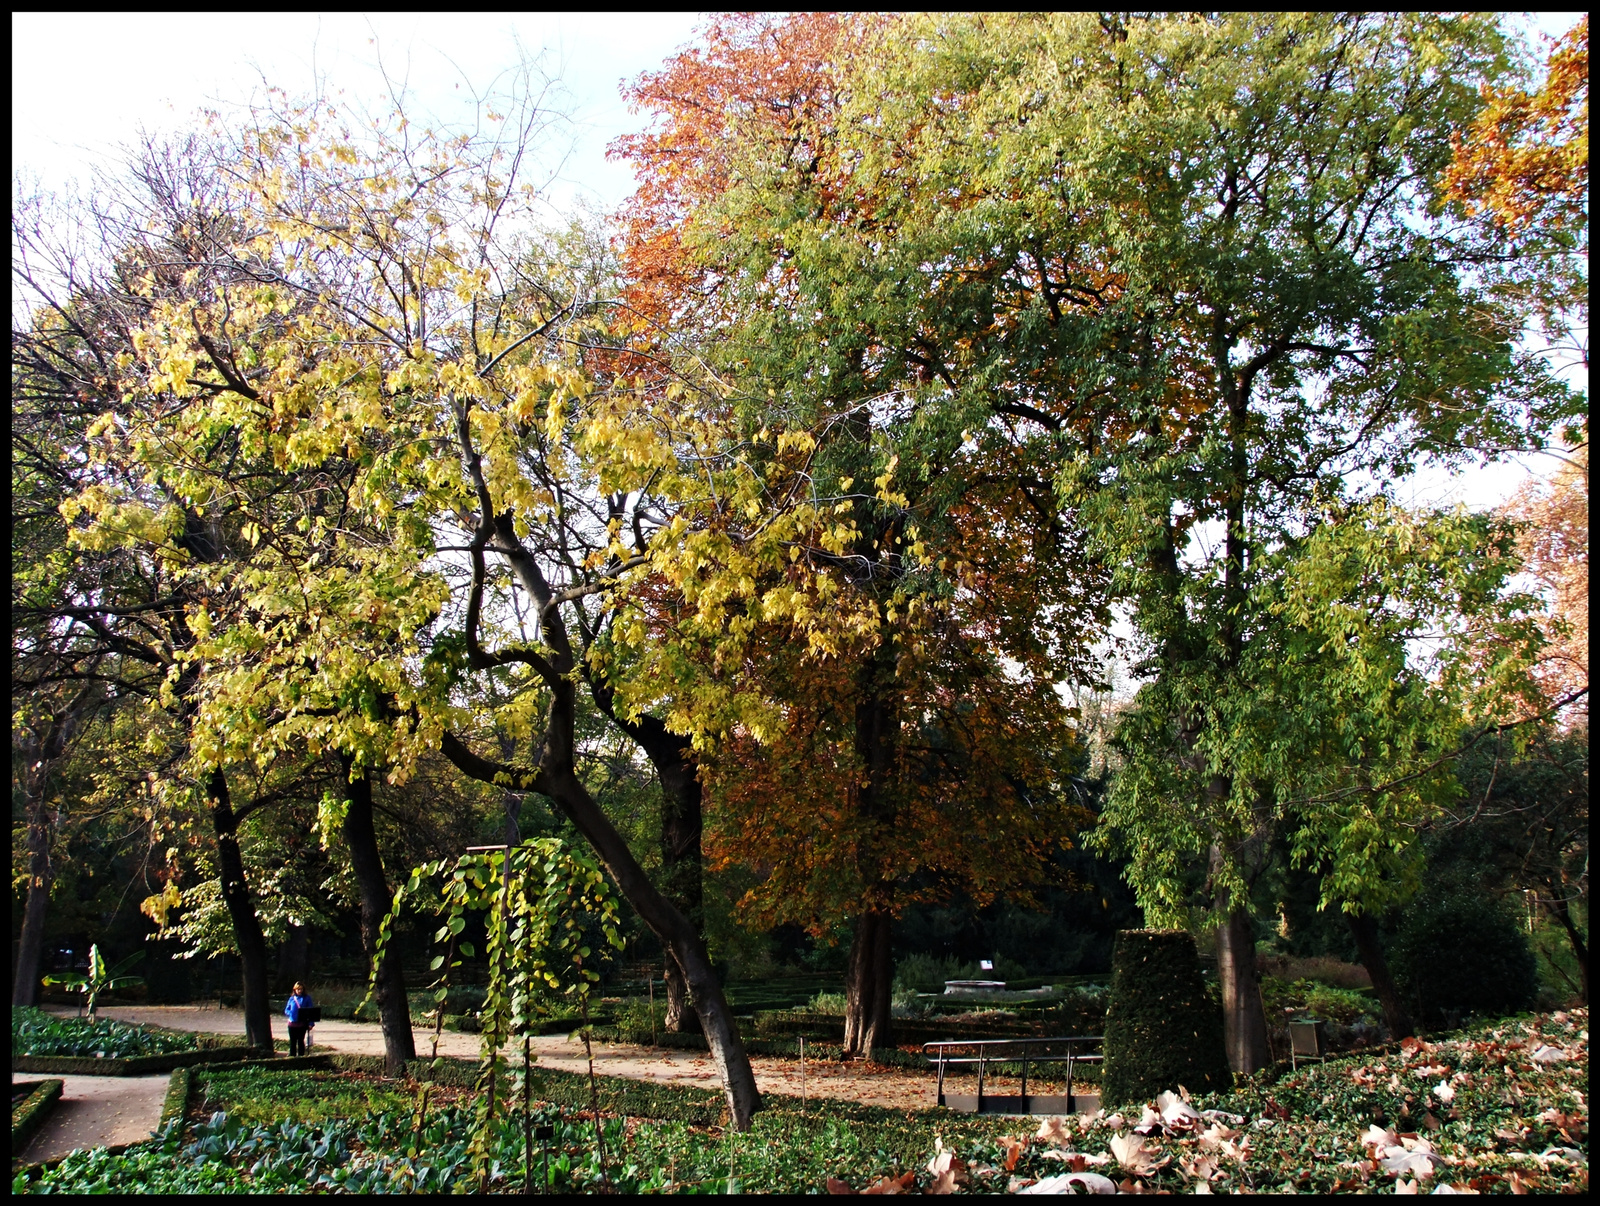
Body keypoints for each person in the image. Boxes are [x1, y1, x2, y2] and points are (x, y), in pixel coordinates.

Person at [285, 982, 316, 1056]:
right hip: (292, 1024)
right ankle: (292, 1056)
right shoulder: (291, 998)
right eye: (298, 989)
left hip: (302, 1024)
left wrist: (311, 1023)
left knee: (300, 1041)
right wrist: (291, 1013)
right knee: (292, 1041)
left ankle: (301, 1056)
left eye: (301, 989)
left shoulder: (307, 998)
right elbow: (286, 1010)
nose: (299, 991)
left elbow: (311, 1011)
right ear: (295, 990)